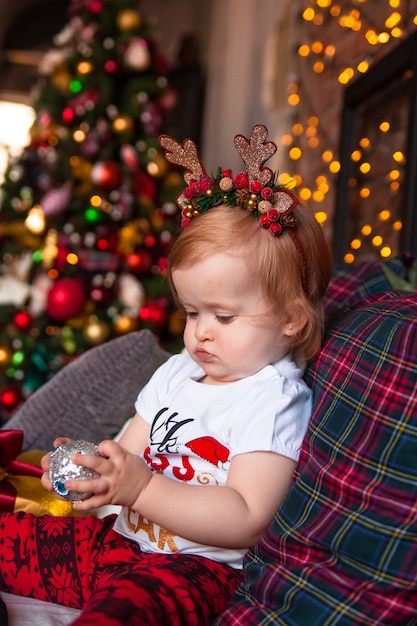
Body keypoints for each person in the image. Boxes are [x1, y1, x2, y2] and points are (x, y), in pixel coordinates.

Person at [0, 125, 332, 625]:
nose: (200, 333)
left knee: (120, 615)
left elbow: (246, 517)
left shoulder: (273, 398)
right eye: (192, 312)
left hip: (188, 570)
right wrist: (89, 475)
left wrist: (142, 490)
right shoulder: (178, 372)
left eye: (222, 317)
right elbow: (127, 455)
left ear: (291, 318)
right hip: (113, 543)